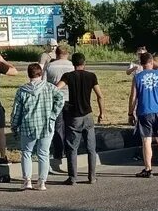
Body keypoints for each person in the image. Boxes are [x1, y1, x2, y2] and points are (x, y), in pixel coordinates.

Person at [11, 63, 64, 191]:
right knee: (43, 153)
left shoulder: (22, 91)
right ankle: (42, 182)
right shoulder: (50, 88)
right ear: (41, 73)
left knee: (27, 153)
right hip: (46, 124)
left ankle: (27, 180)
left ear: (28, 75)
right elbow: (60, 99)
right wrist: (53, 115)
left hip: (28, 125)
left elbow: (17, 111)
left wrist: (14, 125)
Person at [56, 53, 104, 186]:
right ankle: (92, 177)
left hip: (74, 116)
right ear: (84, 63)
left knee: (72, 148)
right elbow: (100, 96)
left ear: (73, 63)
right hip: (88, 115)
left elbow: (56, 88)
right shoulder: (91, 76)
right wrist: (102, 113)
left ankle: (72, 178)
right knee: (91, 148)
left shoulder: (68, 76)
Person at [128, 51, 158, 178]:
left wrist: (130, 113)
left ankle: (148, 169)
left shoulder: (137, 77)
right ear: (151, 62)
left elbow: (133, 97)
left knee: (146, 140)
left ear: (141, 64)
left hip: (144, 111)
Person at [45, 45, 74, 170]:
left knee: (57, 126)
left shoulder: (50, 66)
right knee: (70, 126)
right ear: (67, 54)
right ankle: (70, 150)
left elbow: (44, 83)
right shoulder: (72, 66)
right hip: (70, 98)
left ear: (56, 54)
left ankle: (58, 151)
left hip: (55, 99)